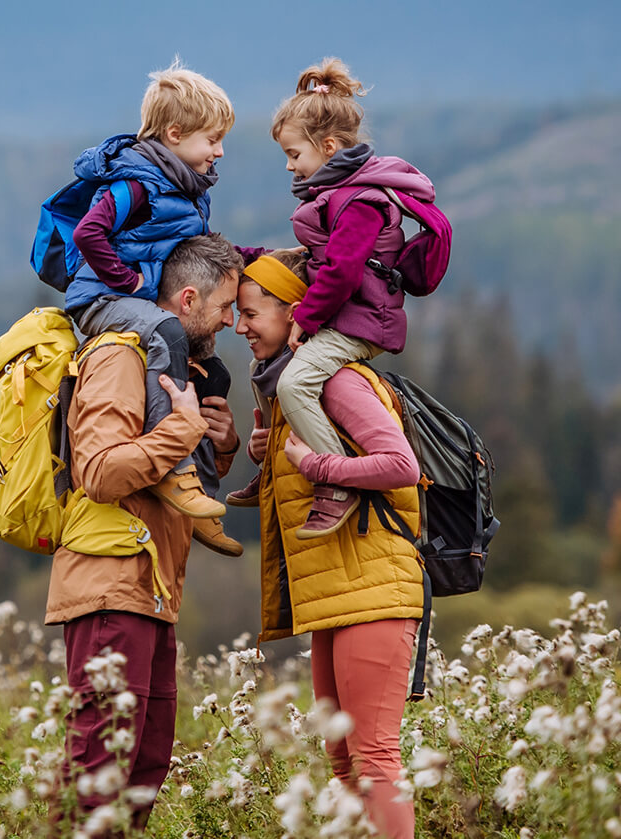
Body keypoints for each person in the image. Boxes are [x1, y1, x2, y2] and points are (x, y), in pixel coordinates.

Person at [47, 233, 242, 833]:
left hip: (151, 587)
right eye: (225, 308)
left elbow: (161, 475)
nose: (232, 322)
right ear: (187, 299)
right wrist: (181, 433)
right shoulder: (120, 356)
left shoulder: (180, 368)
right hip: (111, 581)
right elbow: (101, 472)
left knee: (145, 766)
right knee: (99, 767)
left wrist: (220, 444)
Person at [234, 252, 424, 839]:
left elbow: (400, 465)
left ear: (295, 313)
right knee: (344, 765)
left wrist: (313, 461)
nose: (240, 328)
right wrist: (269, 458)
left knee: (373, 761)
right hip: (335, 600)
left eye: (250, 314)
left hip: (373, 592)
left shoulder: (336, 381)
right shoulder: (291, 393)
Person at [234, 57, 438, 540]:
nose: (289, 165)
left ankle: (334, 481)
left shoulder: (361, 201)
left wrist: (305, 316)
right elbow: (315, 257)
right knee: (265, 370)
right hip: (346, 316)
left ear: (327, 147)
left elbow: (344, 272)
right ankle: (270, 468)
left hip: (363, 323)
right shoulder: (336, 193)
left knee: (296, 382)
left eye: (294, 154)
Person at [66, 58, 254, 555]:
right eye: (212, 139)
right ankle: (175, 470)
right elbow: (89, 233)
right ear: (175, 133)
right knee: (170, 330)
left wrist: (259, 260)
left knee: (212, 373)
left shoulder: (189, 190)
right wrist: (127, 282)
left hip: (134, 297)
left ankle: (203, 498)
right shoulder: (136, 182)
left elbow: (201, 247)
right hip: (102, 299)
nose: (219, 150)